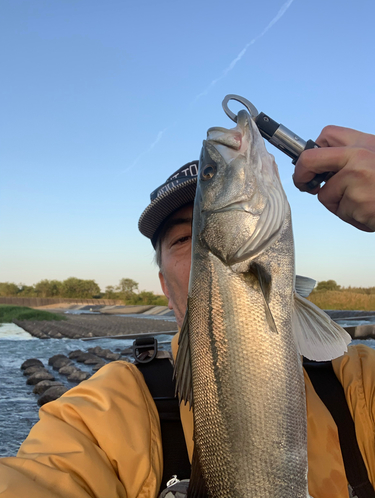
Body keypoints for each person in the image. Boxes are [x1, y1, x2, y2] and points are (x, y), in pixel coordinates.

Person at [0, 125, 374, 498]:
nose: (201, 249)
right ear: (164, 285)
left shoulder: (359, 382)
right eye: (183, 239)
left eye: (202, 224)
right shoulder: (99, 415)